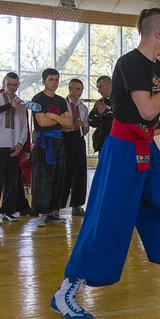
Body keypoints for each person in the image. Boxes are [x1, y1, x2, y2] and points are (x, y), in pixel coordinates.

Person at [51, 8, 160, 319]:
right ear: (158, 33)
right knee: (107, 218)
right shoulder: (129, 63)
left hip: (146, 148)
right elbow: (147, 109)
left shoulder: (155, 66)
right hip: (122, 149)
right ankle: (67, 289)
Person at [31, 68, 72, 227]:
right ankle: (43, 212)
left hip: (59, 143)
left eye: (56, 79)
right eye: (51, 79)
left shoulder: (61, 101)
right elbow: (42, 122)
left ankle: (55, 211)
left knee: (58, 176)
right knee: (43, 177)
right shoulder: (38, 99)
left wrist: (53, 116)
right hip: (44, 144)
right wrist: (61, 119)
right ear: (43, 81)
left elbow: (69, 123)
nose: (54, 82)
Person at [0, 72, 27, 222]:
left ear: (18, 85)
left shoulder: (21, 103)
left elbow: (24, 127)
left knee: (11, 180)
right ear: (4, 83)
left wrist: (20, 144)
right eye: (9, 84)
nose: (12, 87)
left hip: (13, 146)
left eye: (14, 84)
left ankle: (7, 211)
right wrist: (10, 105)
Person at [62, 79, 89, 217]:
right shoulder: (62, 105)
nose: (80, 91)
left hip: (78, 140)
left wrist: (84, 128)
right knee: (65, 172)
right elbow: (59, 126)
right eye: (77, 88)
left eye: (82, 89)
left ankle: (77, 205)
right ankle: (59, 204)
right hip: (65, 139)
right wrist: (73, 125)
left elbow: (86, 128)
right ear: (70, 88)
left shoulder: (83, 108)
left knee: (80, 173)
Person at [88, 76, 113, 154]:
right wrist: (100, 115)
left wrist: (106, 112)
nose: (98, 91)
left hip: (116, 140)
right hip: (102, 141)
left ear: (109, 85)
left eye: (100, 87)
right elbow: (91, 120)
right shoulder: (100, 102)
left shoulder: (120, 100)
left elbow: (122, 118)